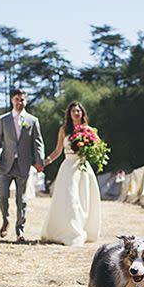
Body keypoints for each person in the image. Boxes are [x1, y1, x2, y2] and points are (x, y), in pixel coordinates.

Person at [40, 101, 102, 246]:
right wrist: (46, 161)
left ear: (82, 113)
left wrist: (89, 146)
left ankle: (80, 229)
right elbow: (58, 150)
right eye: (73, 111)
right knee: (69, 199)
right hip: (68, 167)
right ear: (69, 114)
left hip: (82, 168)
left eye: (78, 111)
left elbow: (98, 146)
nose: (76, 113)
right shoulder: (64, 130)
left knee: (82, 199)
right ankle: (69, 232)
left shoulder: (89, 130)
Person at [0, 89, 44, 242]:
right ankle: (5, 220)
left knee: (22, 199)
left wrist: (39, 161)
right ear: (12, 100)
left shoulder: (33, 121)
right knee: (2, 196)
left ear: (25, 101)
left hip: (23, 165)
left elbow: (38, 143)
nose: (20, 102)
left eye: (22, 100)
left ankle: (20, 231)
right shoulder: (3, 119)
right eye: (17, 99)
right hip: (5, 164)